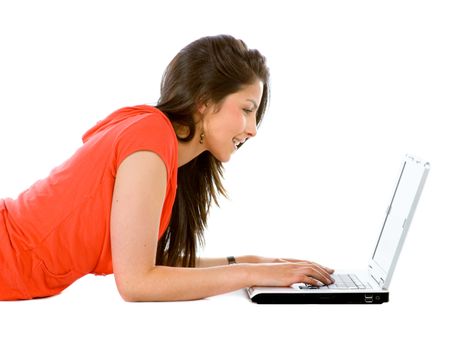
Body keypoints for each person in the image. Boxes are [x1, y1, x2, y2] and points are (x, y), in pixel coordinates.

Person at [0, 34, 334, 301]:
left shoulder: (160, 145)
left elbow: (152, 267)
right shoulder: (150, 137)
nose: (252, 129)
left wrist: (251, 263)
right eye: (247, 109)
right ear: (204, 101)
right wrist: (253, 275)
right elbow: (137, 283)